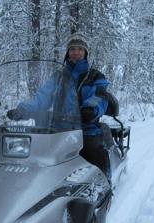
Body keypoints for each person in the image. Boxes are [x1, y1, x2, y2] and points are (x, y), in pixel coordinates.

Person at [7, 33, 111, 182]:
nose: (76, 52)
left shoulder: (95, 77)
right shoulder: (59, 76)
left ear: (86, 53)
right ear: (67, 52)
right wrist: (23, 109)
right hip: (58, 130)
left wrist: (90, 109)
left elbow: (100, 97)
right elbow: (42, 97)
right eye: (72, 48)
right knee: (35, 157)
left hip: (85, 129)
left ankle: (105, 184)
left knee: (95, 152)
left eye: (80, 49)